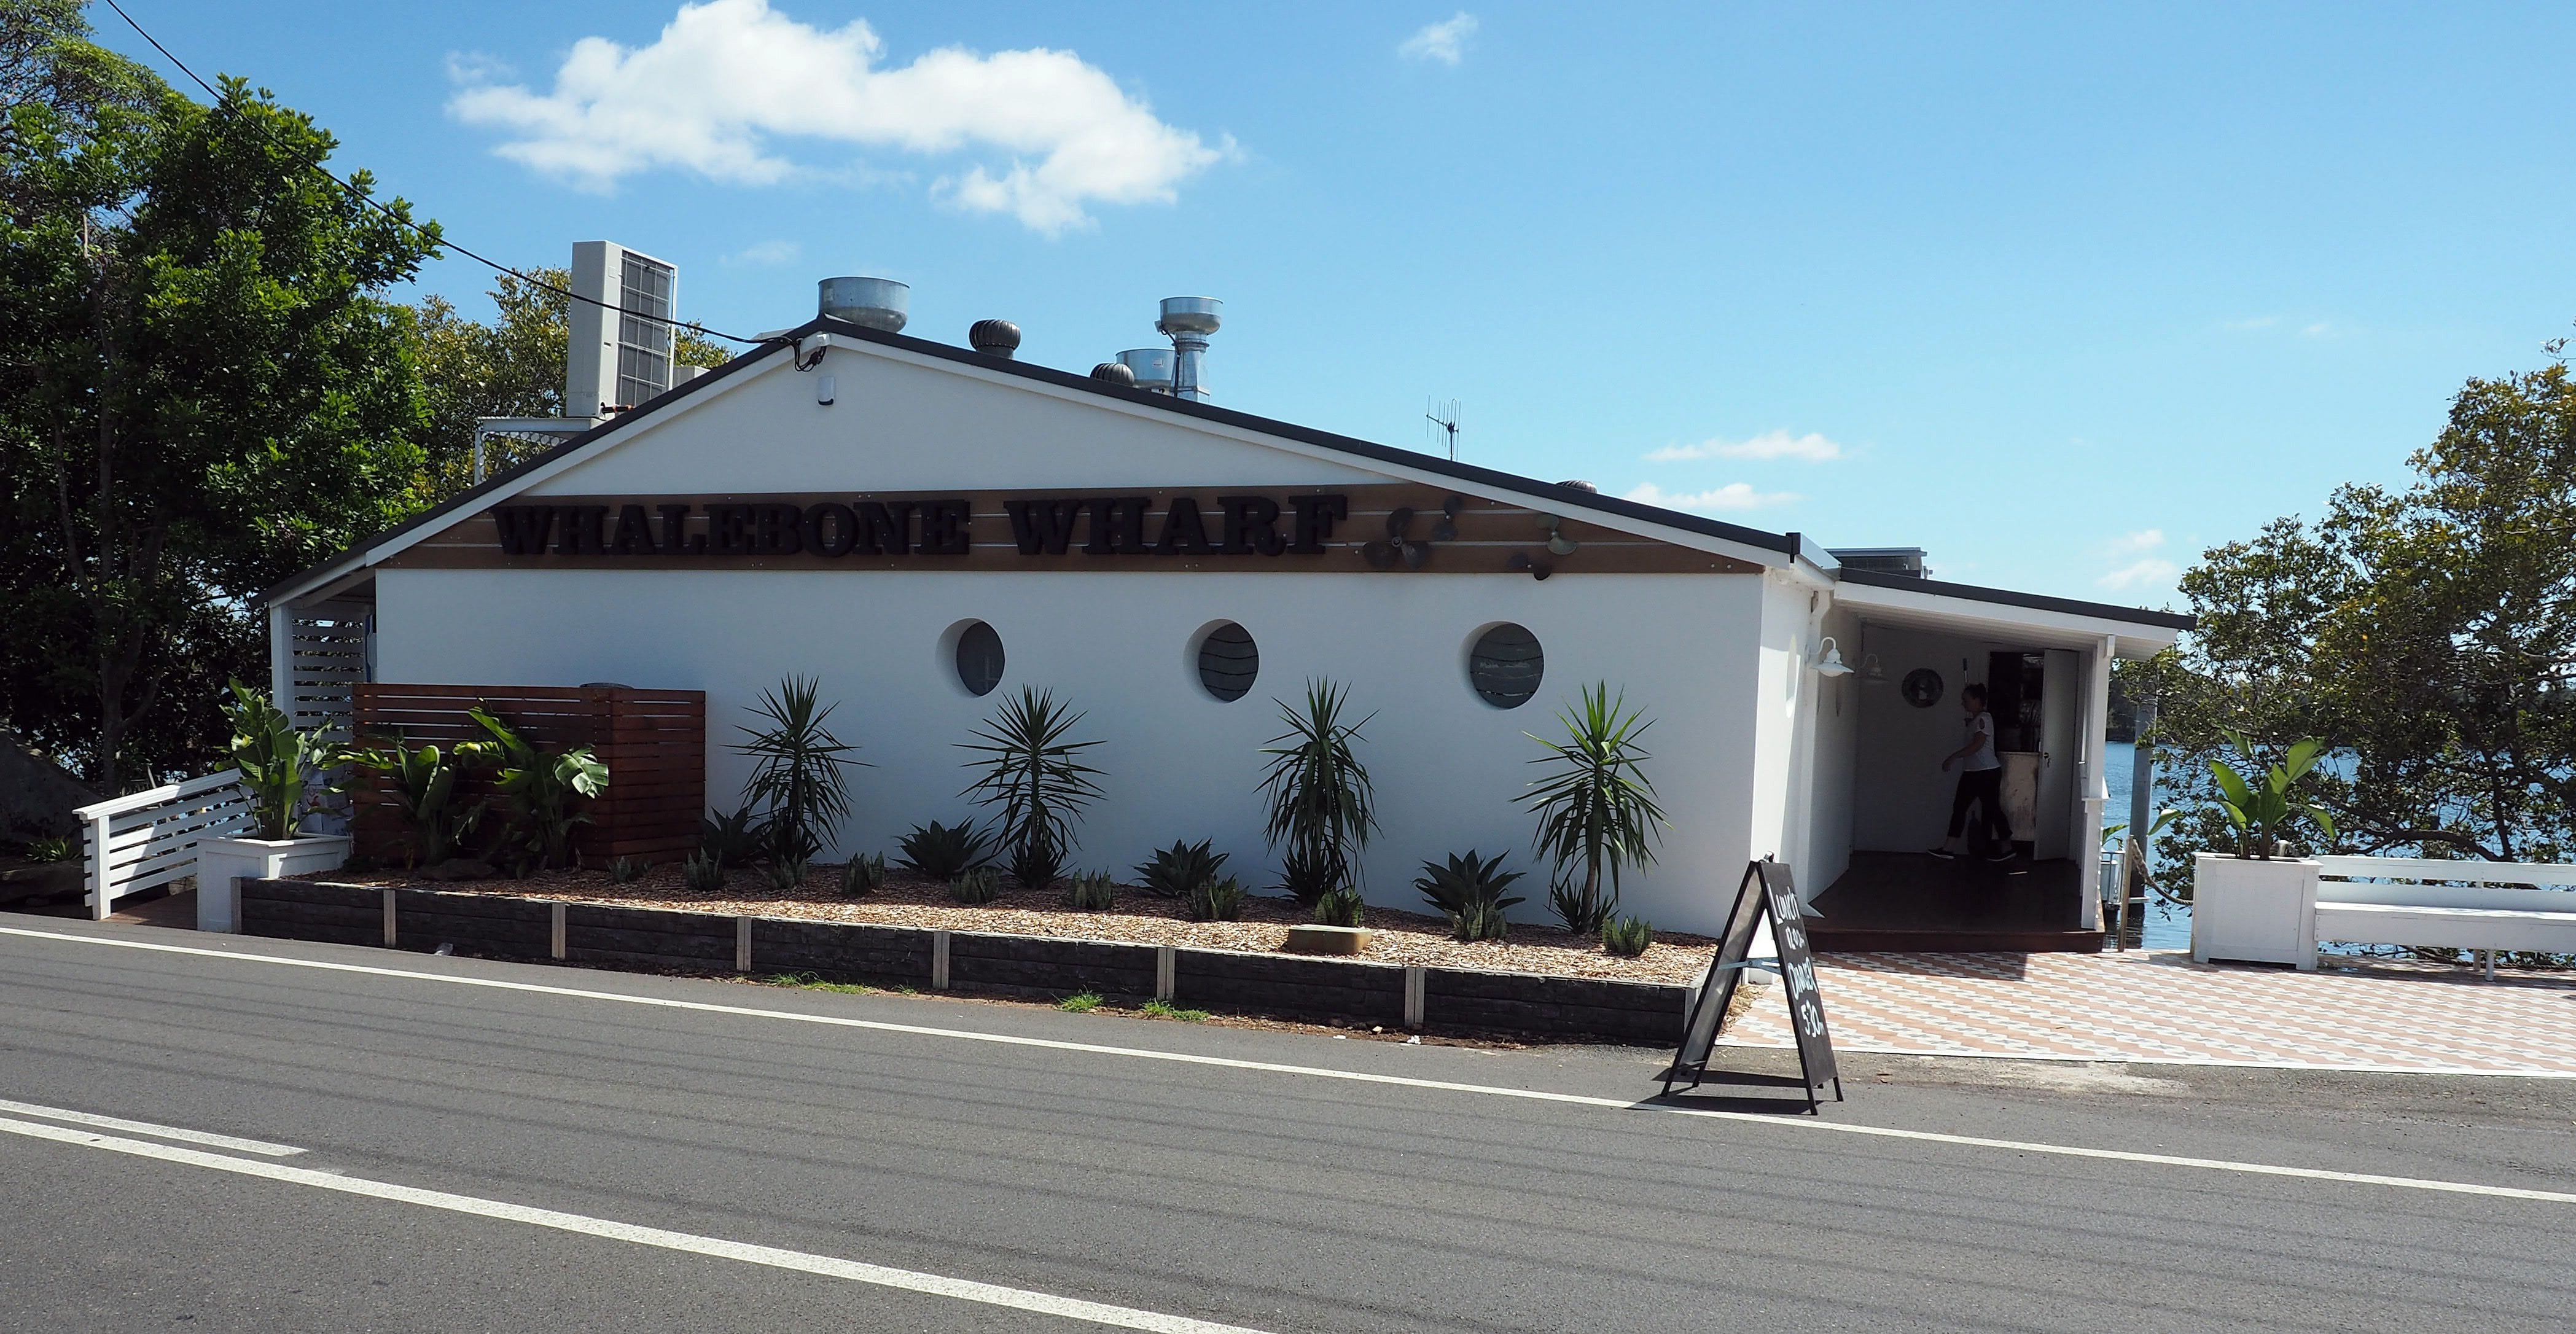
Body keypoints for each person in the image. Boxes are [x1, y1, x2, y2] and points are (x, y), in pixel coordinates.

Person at [1931, 683, 2014, 862]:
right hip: (1974, 772)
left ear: (1977, 701)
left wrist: (1953, 757)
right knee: (1961, 808)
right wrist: (1971, 725)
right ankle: (1948, 848)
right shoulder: (1977, 720)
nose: (1963, 704)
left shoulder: (1985, 719)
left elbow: (1977, 746)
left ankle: (2006, 848)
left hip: (1986, 773)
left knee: (1991, 809)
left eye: (1966, 700)